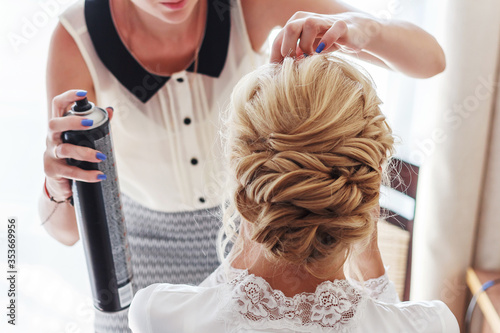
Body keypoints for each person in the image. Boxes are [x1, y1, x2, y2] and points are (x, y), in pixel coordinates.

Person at [39, 0, 446, 331]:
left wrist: (361, 28)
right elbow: (67, 233)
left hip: (265, 238)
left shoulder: (248, 6)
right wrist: (57, 189)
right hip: (139, 261)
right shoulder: (76, 40)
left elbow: (431, 60)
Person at [128, 54, 459, 333]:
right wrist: (370, 260)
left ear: (242, 185)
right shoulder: (432, 325)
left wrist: (246, 239)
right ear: (367, 194)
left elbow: (212, 307)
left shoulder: (157, 313)